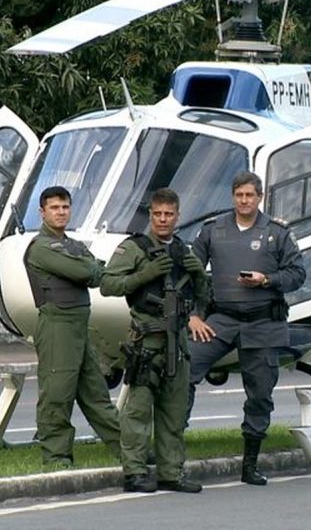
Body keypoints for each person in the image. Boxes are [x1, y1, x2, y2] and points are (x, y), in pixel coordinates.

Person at [187, 171, 306, 486]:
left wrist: (266, 280)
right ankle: (171, 454)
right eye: (239, 195)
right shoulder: (213, 230)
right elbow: (188, 274)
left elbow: (297, 274)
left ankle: (250, 464)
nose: (244, 201)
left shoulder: (278, 232)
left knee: (260, 394)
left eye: (249, 195)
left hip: (263, 321)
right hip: (221, 319)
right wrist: (193, 315)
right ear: (232, 196)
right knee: (183, 369)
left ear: (260, 197)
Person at [101, 188, 209, 493]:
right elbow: (108, 285)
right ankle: (134, 473)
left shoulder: (183, 251)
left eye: (168, 214)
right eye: (158, 214)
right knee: (137, 411)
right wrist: (143, 275)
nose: (163, 220)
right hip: (147, 341)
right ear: (150, 215)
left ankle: (171, 472)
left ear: (178, 216)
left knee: (174, 411)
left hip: (178, 341)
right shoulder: (134, 248)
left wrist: (200, 276)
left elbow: (203, 299)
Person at [24, 185, 122, 466]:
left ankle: (129, 450)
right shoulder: (41, 247)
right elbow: (86, 271)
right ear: (42, 212)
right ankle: (57, 456)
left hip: (80, 326)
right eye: (54, 208)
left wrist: (91, 269)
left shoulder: (72, 244)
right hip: (57, 326)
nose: (61, 212)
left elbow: (95, 269)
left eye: (65, 207)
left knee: (96, 394)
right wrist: (90, 269)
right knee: (57, 393)